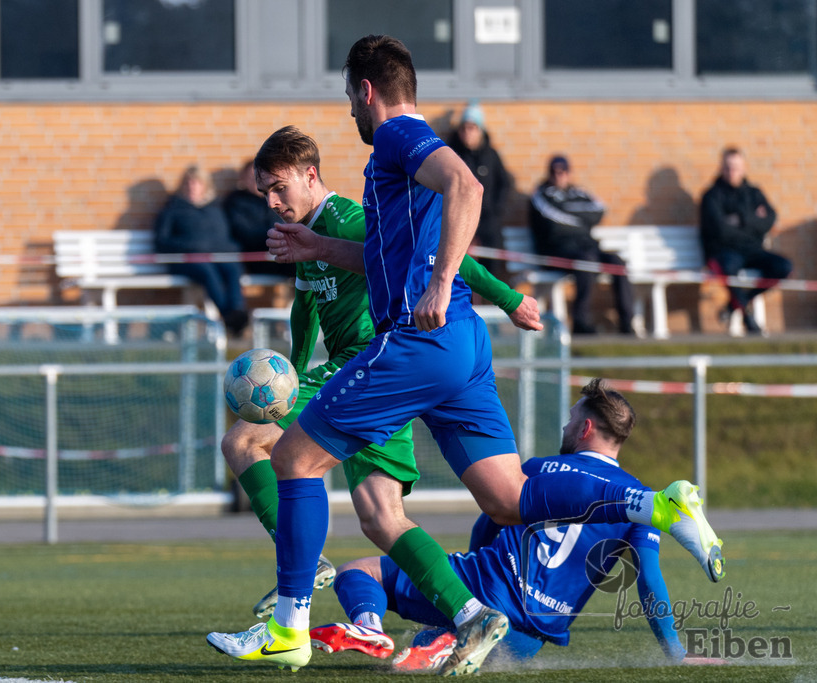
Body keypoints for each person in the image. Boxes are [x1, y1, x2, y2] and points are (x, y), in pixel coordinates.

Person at [208, 34, 724, 677]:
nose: (350, 114)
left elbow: (468, 187)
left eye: (349, 99)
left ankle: (289, 630)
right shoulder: (392, 167)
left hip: (420, 342)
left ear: (367, 91)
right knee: (506, 500)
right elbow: (385, 256)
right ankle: (655, 504)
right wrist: (321, 248)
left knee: (288, 457)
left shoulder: (397, 135)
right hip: (464, 348)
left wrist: (443, 279)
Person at [218, 126, 543, 621]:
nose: (273, 202)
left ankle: (302, 569)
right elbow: (306, 312)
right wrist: (291, 375)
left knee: (243, 442)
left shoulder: (349, 220)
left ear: (311, 176)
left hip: (369, 363)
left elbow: (439, 261)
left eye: (280, 187)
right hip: (373, 372)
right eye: (265, 192)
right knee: (380, 516)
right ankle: (473, 616)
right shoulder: (306, 233)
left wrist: (509, 298)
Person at [309, 379, 691, 672]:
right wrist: (675, 654)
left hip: (486, 585)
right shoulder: (641, 501)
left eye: (571, 418)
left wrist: (471, 587)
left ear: (585, 429)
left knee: (359, 571)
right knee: (431, 645)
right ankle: (445, 642)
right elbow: (649, 580)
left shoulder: (539, 469)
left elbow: (490, 522)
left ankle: (371, 626)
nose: (566, 425)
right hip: (529, 634)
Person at [528, 155, 635, 336]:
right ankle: (580, 322)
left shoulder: (579, 193)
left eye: (563, 171)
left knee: (617, 262)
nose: (559, 176)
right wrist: (582, 219)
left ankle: (627, 323)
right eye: (554, 172)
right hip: (555, 250)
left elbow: (599, 210)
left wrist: (567, 211)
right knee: (587, 261)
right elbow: (552, 221)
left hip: (585, 246)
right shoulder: (541, 194)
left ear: (569, 173)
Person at [700, 147, 792, 335]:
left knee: (783, 266)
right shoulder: (711, 196)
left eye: (736, 167)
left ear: (743, 168)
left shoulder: (754, 193)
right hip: (723, 251)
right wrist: (752, 222)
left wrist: (740, 220)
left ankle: (735, 306)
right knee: (728, 268)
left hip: (752, 251)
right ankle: (749, 319)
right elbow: (721, 231)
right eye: (727, 167)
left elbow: (770, 219)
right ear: (721, 168)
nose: (732, 172)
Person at [153, 165, 248, 337]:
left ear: (205, 185)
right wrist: (191, 246)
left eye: (196, 183)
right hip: (185, 261)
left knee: (233, 270)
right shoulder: (172, 210)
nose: (192, 187)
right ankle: (230, 318)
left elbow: (226, 239)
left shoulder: (216, 209)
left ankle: (236, 310)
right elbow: (161, 242)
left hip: (218, 258)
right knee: (207, 271)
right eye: (188, 183)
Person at [446, 100, 514, 284]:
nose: (467, 133)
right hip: (460, 219)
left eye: (472, 127)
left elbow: (505, 183)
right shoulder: (451, 154)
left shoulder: (491, 155)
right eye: (464, 128)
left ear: (480, 130)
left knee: (492, 264)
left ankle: (493, 304)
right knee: (461, 267)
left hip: (488, 221)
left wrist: (496, 208)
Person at [222, 160, 295, 279]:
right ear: (243, 179)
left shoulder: (275, 200)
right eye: (252, 177)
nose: (257, 181)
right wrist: (275, 236)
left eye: (261, 177)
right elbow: (244, 233)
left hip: (280, 252)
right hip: (255, 258)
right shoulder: (235, 202)